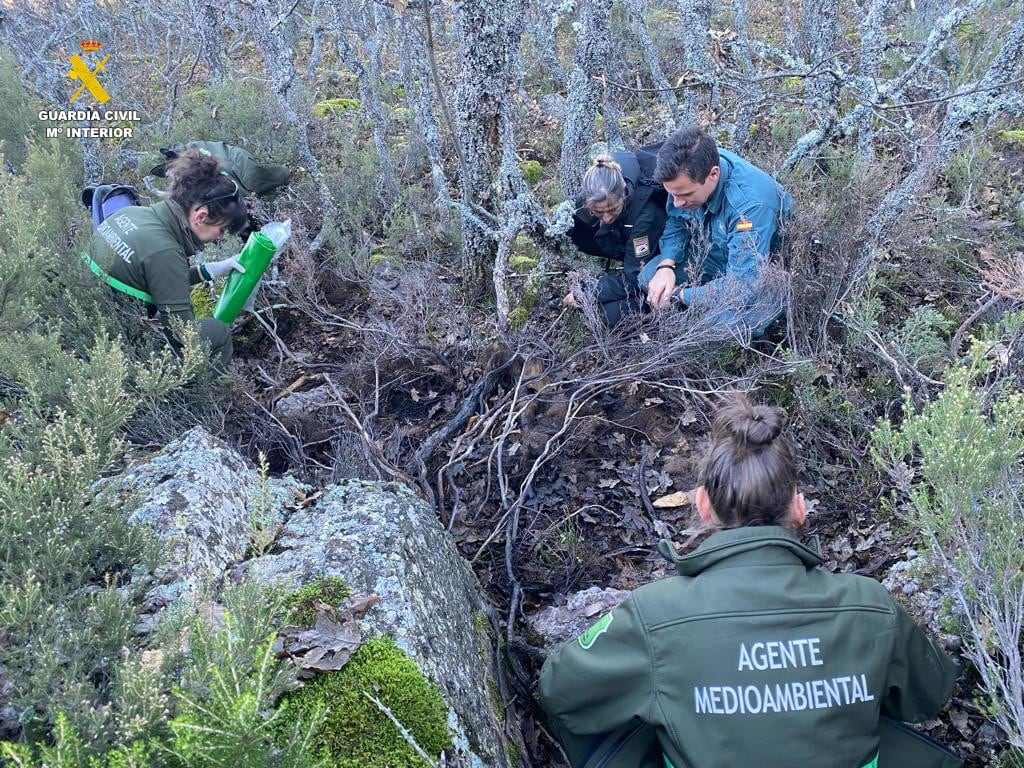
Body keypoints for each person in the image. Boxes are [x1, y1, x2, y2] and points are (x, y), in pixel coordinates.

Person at [539, 396, 962, 768]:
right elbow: (929, 694)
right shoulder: (870, 606)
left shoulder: (654, 615)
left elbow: (561, 691)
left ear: (703, 505)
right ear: (799, 509)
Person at [83, 148, 248, 369]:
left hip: (86, 319)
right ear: (201, 216)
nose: (219, 237)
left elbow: (152, 277)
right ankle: (204, 400)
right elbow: (184, 336)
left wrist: (211, 269)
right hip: (115, 346)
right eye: (221, 229)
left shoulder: (131, 214)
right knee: (216, 331)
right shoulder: (165, 251)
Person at [640, 126, 791, 335]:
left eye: (685, 194)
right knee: (650, 275)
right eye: (672, 193)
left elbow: (742, 285)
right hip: (717, 255)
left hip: (764, 275)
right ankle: (691, 313)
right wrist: (666, 265)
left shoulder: (750, 207)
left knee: (721, 327)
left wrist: (681, 295)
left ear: (713, 174)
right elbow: (676, 223)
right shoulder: (684, 176)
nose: (677, 202)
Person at [562, 150, 667, 327]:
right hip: (625, 241)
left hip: (655, 257)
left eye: (613, 209)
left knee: (609, 315)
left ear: (623, 194)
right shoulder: (592, 197)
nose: (608, 217)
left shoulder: (645, 217)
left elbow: (634, 279)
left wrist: (585, 292)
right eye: (598, 212)